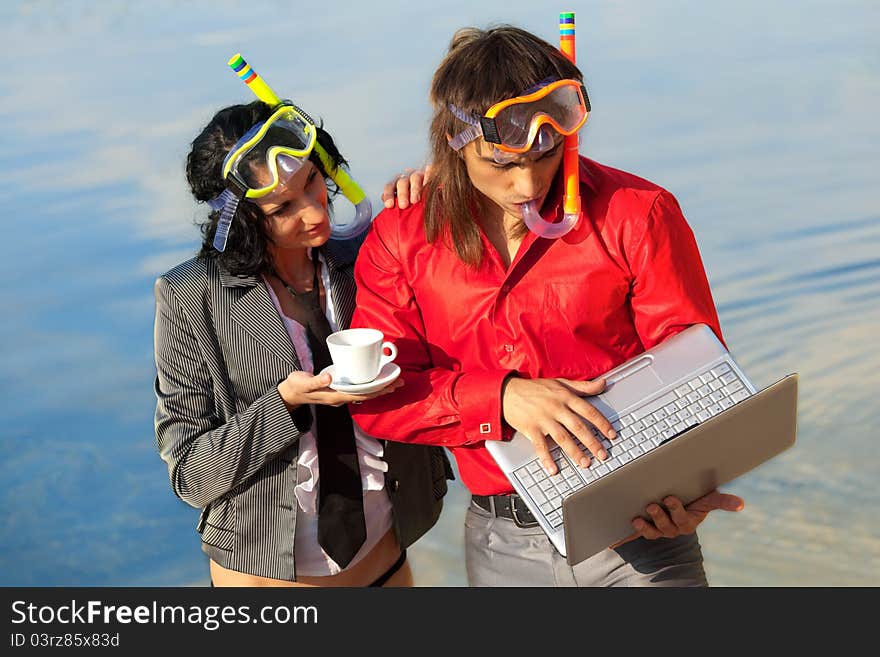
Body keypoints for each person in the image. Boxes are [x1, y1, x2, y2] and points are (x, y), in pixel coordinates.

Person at [350, 25, 745, 587]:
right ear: (453, 141)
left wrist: (687, 482)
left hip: (639, 527)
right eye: (502, 164)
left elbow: (696, 368)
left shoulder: (639, 213)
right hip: (503, 543)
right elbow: (377, 399)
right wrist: (501, 397)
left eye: (547, 154)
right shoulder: (403, 236)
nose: (529, 182)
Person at [153, 99, 453, 587]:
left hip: (386, 560)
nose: (315, 211)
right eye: (282, 208)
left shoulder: (369, 255)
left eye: (313, 181)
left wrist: (439, 193)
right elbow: (190, 472)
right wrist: (283, 406)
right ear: (242, 219)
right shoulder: (191, 297)